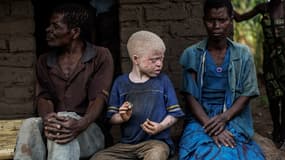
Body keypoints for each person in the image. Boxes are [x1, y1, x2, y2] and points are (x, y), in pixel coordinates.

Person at [14, 3, 114, 160]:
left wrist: (80, 124)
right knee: (30, 124)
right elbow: (44, 97)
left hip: (90, 130)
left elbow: (98, 98)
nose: (48, 30)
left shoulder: (100, 56)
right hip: (58, 129)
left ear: (74, 32)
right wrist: (49, 121)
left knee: (64, 122)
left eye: (55, 26)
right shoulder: (44, 60)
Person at [178, 0, 265, 159]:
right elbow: (190, 96)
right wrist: (210, 125)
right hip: (201, 117)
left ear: (231, 19)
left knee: (230, 151)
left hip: (233, 115)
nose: (216, 26)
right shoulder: (192, 54)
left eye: (222, 20)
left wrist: (224, 118)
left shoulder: (243, 54)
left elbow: (247, 93)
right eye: (211, 20)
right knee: (201, 151)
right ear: (204, 20)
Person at [90, 30, 185, 160]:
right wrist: (122, 117)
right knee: (98, 158)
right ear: (136, 59)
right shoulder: (120, 83)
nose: (159, 64)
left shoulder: (163, 81)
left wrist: (160, 126)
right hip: (126, 146)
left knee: (156, 155)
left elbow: (174, 114)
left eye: (161, 59)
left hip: (156, 143)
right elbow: (111, 118)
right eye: (154, 60)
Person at [234, 0, 285, 147]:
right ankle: (276, 129)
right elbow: (239, 18)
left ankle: (282, 131)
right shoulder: (263, 8)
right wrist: (226, 6)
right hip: (270, 61)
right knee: (273, 97)